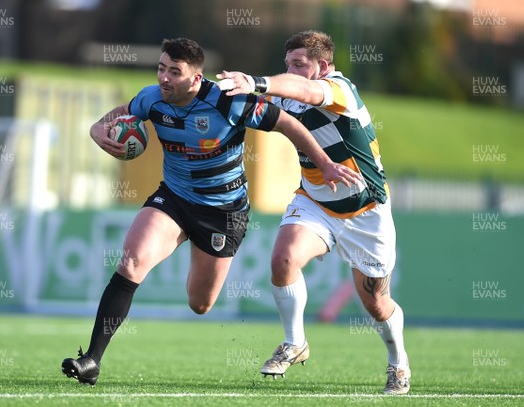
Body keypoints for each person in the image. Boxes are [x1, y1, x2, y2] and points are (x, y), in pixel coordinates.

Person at [61, 37, 358, 386]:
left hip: (223, 211)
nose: (164, 78)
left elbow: (288, 125)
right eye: (161, 68)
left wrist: (323, 163)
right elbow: (120, 113)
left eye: (175, 72)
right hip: (173, 198)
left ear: (196, 78)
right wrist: (97, 129)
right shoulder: (152, 98)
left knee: (199, 303)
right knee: (131, 262)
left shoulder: (227, 102)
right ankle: (92, 360)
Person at [217, 30, 410, 395]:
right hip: (315, 201)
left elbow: (306, 92)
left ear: (322, 66)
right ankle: (294, 342)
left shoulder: (338, 90)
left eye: (298, 64)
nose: (289, 71)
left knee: (375, 303)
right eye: (287, 64)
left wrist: (257, 82)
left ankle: (398, 363)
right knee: (283, 258)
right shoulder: (289, 94)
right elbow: (261, 109)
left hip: (364, 210)